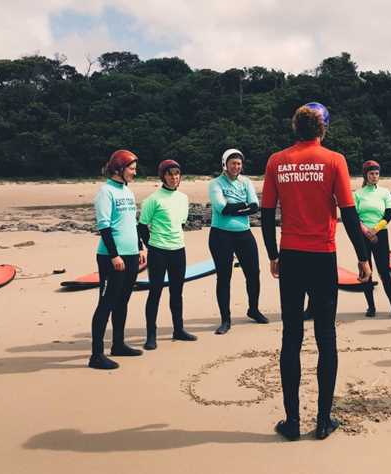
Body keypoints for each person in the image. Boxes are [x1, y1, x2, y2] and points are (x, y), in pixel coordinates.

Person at [261, 102, 371, 441]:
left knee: (291, 338)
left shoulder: (276, 161)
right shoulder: (334, 160)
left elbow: (266, 215)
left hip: (291, 256)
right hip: (323, 256)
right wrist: (363, 257)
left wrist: (273, 254)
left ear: (295, 128)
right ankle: (323, 421)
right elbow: (350, 215)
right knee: (326, 337)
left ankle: (292, 422)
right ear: (323, 130)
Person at [89, 149, 146, 370]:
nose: (134, 172)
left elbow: (132, 223)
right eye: (131, 169)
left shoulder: (127, 191)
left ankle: (118, 344)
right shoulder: (106, 192)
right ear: (118, 169)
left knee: (123, 301)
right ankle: (96, 355)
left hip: (131, 255)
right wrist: (114, 255)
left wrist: (140, 247)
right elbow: (104, 226)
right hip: (111, 257)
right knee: (106, 303)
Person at [138, 159, 196, 350]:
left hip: (178, 250)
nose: (174, 178)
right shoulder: (153, 200)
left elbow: (180, 225)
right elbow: (142, 227)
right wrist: (152, 246)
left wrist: (171, 242)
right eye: (170, 174)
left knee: (177, 293)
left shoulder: (183, 198)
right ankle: (151, 335)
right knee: (155, 293)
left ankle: (178, 329)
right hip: (158, 252)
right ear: (163, 176)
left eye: (177, 174)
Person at [208, 148, 267, 335]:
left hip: (244, 234)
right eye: (233, 163)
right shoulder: (215, 183)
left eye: (239, 163)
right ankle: (225, 319)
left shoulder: (246, 182)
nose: (236, 167)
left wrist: (237, 207)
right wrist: (243, 206)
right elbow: (222, 208)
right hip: (221, 235)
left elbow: (255, 206)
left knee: (253, 273)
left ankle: (253, 309)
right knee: (224, 277)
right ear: (224, 164)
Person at [354, 160, 391, 320]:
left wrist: (375, 229)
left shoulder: (384, 192)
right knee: (366, 271)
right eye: (371, 174)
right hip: (362, 234)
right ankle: (371, 307)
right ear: (365, 175)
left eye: (376, 174)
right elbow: (354, 216)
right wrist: (366, 230)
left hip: (380, 234)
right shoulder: (357, 194)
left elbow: (389, 214)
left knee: (384, 272)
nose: (374, 176)